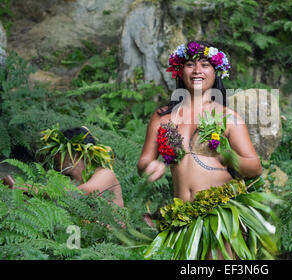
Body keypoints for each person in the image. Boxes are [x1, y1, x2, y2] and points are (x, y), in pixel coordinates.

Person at [138, 41, 278, 260]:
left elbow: (255, 167)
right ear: (179, 70)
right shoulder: (163, 117)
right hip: (180, 218)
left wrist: (226, 155)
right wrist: (151, 166)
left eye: (205, 65)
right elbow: (144, 162)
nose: (197, 71)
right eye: (190, 65)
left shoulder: (228, 117)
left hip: (219, 217)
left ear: (216, 72)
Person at [2, 127, 124, 208]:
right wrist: (19, 193)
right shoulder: (68, 182)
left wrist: (37, 190)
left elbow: (84, 193)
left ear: (76, 154)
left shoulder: (105, 174)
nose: (56, 157)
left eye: (60, 152)